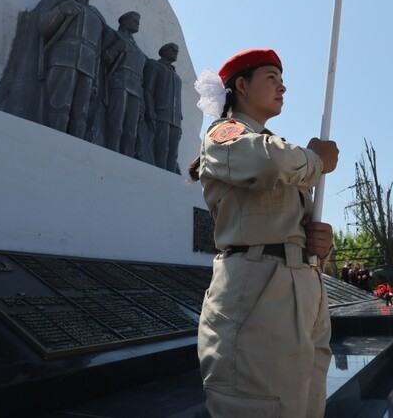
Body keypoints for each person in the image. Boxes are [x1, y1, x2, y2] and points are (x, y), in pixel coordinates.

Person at [190, 48, 339, 417]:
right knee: (260, 404)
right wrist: (316, 160)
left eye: (281, 79)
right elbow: (265, 159)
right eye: (271, 77)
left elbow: (284, 219)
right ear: (241, 84)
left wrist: (319, 242)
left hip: (300, 289)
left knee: (305, 403)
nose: (282, 87)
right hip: (259, 289)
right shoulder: (226, 134)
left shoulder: (277, 148)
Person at [38, 0, 106, 140]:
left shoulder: (97, 17)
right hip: (64, 58)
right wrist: (61, 10)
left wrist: (96, 80)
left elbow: (98, 53)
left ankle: (76, 151)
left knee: (81, 112)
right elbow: (43, 26)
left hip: (88, 66)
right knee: (60, 104)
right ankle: (53, 142)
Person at [101, 11, 148, 157]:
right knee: (116, 125)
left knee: (131, 131)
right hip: (119, 82)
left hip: (135, 88)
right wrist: (116, 48)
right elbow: (103, 59)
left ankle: (127, 159)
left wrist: (141, 100)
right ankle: (111, 155)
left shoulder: (138, 50)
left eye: (138, 20)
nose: (137, 22)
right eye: (134, 19)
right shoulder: (114, 35)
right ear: (124, 21)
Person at [142, 42, 184, 172]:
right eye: (173, 49)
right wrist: (150, 112)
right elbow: (148, 90)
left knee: (173, 153)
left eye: (177, 50)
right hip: (161, 114)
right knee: (161, 148)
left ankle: (170, 178)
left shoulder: (176, 76)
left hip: (175, 119)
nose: (176, 52)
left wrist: (180, 120)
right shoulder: (155, 65)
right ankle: (159, 174)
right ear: (164, 51)